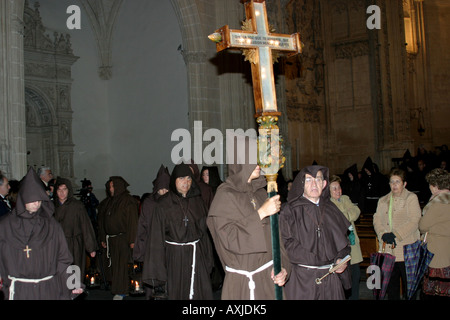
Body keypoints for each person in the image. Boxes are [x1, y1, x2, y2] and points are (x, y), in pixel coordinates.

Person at [207, 159, 289, 300]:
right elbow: (230, 239)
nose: (259, 166)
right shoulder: (225, 196)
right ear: (240, 163)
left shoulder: (261, 193)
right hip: (243, 285)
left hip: (269, 281)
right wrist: (261, 213)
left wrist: (283, 267)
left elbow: (277, 237)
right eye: (253, 162)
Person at [0, 168, 81, 300]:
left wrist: (73, 284)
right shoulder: (5, 226)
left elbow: (64, 259)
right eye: (32, 199)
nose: (36, 203)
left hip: (47, 289)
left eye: (39, 199)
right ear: (23, 198)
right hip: (19, 291)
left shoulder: (51, 225)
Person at [279, 165, 351, 300]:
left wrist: (341, 259)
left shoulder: (331, 208)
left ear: (324, 184)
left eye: (318, 180)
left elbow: (343, 242)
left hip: (330, 278)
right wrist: (317, 259)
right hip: (303, 280)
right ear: (301, 184)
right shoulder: (290, 210)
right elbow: (286, 243)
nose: (314, 184)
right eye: (308, 180)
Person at [144, 163, 214, 300]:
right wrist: (158, 271)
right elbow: (156, 238)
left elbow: (205, 233)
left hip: (196, 255)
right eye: (181, 178)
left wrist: (208, 259)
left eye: (188, 178)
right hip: (174, 257)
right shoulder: (163, 204)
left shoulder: (197, 201)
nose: (186, 182)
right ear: (174, 180)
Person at [373, 168, 421, 300]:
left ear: (404, 183)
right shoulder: (383, 200)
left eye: (397, 182)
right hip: (389, 251)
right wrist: (382, 234)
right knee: (391, 288)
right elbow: (376, 219)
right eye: (392, 182)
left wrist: (395, 235)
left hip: (406, 249)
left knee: (409, 288)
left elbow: (414, 220)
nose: (394, 185)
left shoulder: (411, 198)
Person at [98, 176, 139, 300]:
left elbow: (133, 221)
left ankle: (122, 290)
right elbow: (103, 221)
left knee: (122, 265)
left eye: (112, 186)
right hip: (111, 239)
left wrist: (132, 241)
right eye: (109, 186)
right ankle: (116, 287)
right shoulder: (109, 202)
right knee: (114, 265)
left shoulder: (128, 201)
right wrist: (103, 238)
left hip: (123, 238)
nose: (110, 188)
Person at [133, 165, 170, 299]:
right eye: (162, 188)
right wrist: (139, 251)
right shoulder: (149, 203)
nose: (164, 191)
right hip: (152, 247)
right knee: (152, 279)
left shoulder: (173, 202)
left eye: (167, 188)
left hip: (169, 246)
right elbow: (142, 227)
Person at [54, 177, 98, 279]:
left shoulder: (77, 206)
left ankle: (74, 293)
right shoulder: (52, 207)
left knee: (74, 272)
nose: (62, 193)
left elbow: (86, 225)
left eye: (64, 189)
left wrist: (91, 247)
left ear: (69, 190)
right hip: (58, 245)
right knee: (60, 273)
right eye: (59, 190)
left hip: (74, 244)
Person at [329, 175, 363, 300]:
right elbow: (337, 219)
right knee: (344, 278)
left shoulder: (345, 198)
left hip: (353, 243)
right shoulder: (328, 204)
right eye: (334, 189)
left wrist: (345, 215)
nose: (338, 191)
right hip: (340, 246)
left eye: (339, 187)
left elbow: (356, 211)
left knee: (356, 275)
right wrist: (348, 214)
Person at [419, 168, 450, 300]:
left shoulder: (437, 204)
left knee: (434, 290)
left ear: (435, 186)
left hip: (437, 252)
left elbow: (422, 226)